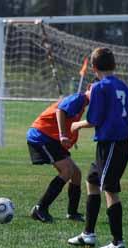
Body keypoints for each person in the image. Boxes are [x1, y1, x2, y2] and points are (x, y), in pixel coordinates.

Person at [68, 47, 128, 248]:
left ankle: (117, 242)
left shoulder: (100, 87)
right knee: (92, 181)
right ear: (114, 65)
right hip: (113, 145)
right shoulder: (123, 86)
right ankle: (88, 234)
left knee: (110, 190)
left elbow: (94, 119)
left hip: (112, 144)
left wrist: (76, 124)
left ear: (93, 68)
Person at [26, 82, 94, 223]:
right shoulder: (79, 98)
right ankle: (40, 209)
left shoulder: (83, 103)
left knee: (76, 173)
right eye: (96, 89)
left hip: (51, 138)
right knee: (67, 170)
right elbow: (60, 110)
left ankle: (72, 213)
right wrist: (63, 135)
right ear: (89, 87)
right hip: (41, 135)